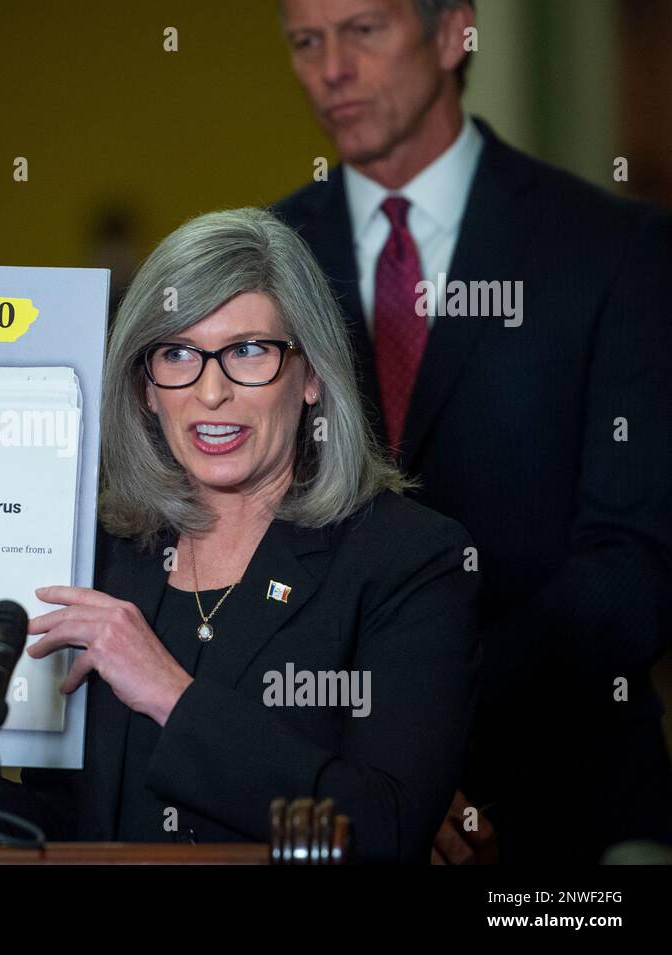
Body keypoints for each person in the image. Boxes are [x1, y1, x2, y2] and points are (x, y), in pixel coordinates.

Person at [0, 207, 479, 864]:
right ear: (146, 387)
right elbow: (68, 836)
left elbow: (387, 830)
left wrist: (172, 695)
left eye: (249, 351)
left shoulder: (408, 560)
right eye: (178, 354)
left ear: (310, 373)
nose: (210, 390)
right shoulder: (105, 558)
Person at [272, 0, 672, 863]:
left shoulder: (614, 249)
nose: (330, 68)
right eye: (307, 40)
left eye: (364, 30)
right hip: (329, 799)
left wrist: (413, 715)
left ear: (455, 33)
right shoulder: (268, 259)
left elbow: (632, 570)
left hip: (567, 798)